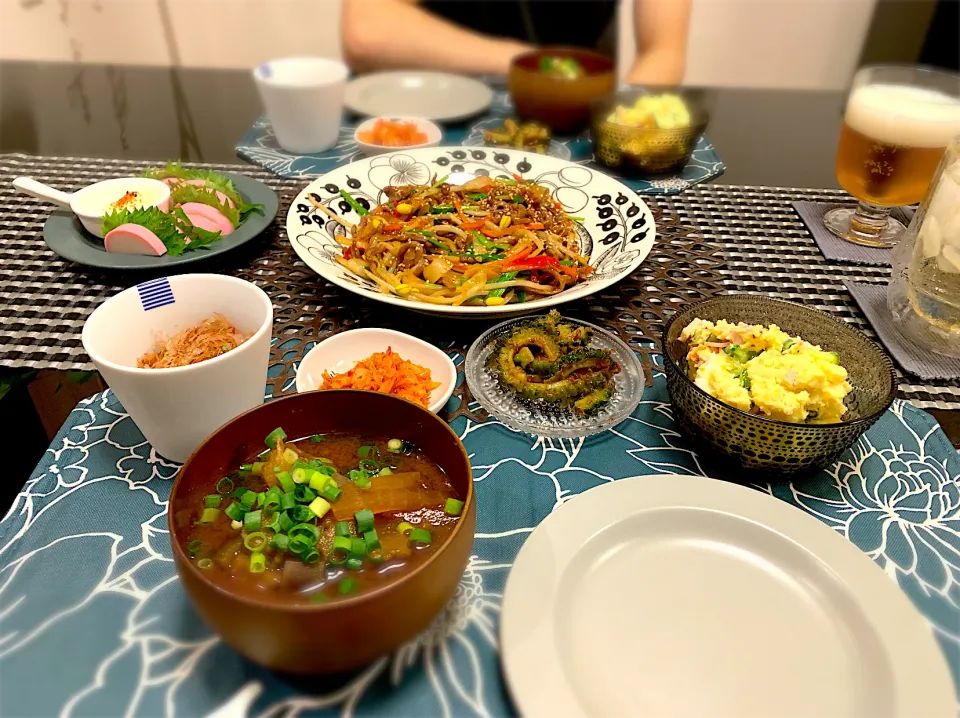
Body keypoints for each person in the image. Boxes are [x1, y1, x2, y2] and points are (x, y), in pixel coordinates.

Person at [341, 0, 690, 85]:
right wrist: (533, 62)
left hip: (580, 110)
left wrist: (627, 124)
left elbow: (663, 51)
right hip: (430, 99)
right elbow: (368, 34)